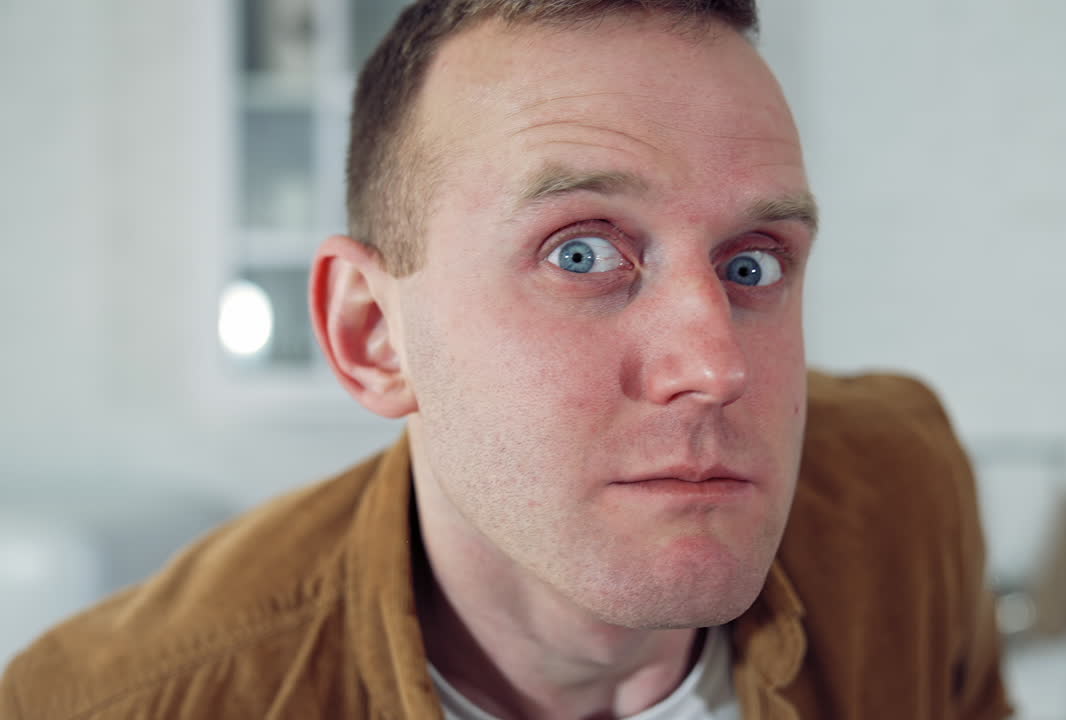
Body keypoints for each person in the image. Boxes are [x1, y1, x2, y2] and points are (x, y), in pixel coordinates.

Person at [1, 1, 1013, 718]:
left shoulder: (900, 494)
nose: (714, 367)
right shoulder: (118, 706)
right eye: (581, 252)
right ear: (370, 333)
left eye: (753, 263)